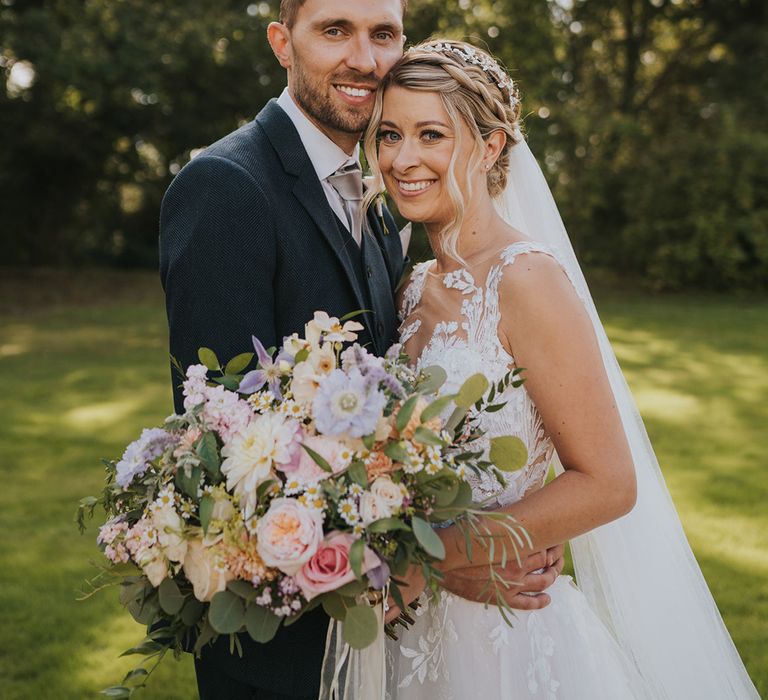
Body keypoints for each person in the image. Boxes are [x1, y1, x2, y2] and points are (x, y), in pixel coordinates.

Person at [159, 3, 563, 696]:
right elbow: (227, 459)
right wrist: (435, 561)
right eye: (335, 30)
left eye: (383, 34)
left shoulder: (385, 203)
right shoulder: (226, 187)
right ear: (283, 43)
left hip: (393, 641)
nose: (366, 59)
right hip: (281, 645)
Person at [362, 40, 760, 699]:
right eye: (389, 135)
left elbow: (607, 482)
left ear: (491, 147)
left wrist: (421, 564)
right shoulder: (411, 286)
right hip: (408, 628)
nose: (403, 159)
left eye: (431, 134)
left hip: (503, 640)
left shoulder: (528, 280)